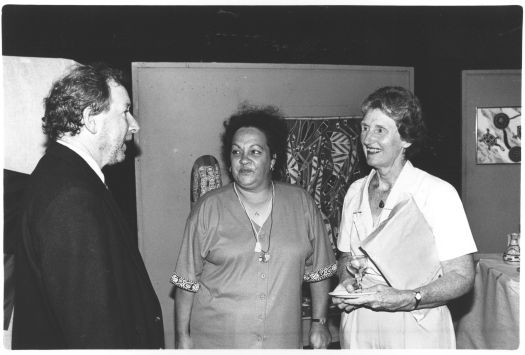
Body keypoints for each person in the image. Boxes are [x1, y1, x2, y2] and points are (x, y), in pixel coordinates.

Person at [12, 63, 164, 349]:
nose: (134, 125)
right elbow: (93, 331)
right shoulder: (72, 197)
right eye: (125, 111)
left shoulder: (69, 177)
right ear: (90, 118)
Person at [171, 105, 336, 349]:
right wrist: (182, 339)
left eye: (255, 151)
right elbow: (186, 284)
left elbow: (319, 271)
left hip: (281, 342)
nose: (244, 159)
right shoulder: (208, 208)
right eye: (237, 152)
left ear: (273, 160)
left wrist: (319, 322)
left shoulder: (301, 203)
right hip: (217, 341)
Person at [332, 86, 477, 348]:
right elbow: (345, 256)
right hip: (359, 325)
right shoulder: (355, 191)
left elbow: (462, 276)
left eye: (380, 130)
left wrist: (409, 297)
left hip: (416, 324)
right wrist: (346, 281)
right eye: (365, 128)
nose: (367, 139)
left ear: (406, 139)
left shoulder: (436, 193)